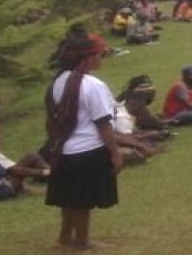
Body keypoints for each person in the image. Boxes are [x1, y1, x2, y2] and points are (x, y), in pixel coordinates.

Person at [43, 31, 123, 251]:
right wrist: (115, 153)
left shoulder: (58, 81)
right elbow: (103, 124)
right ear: (87, 58)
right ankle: (82, 240)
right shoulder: (92, 85)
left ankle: (65, 237)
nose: (101, 58)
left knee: (70, 198)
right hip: (88, 149)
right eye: (99, 54)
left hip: (64, 149)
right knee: (82, 201)